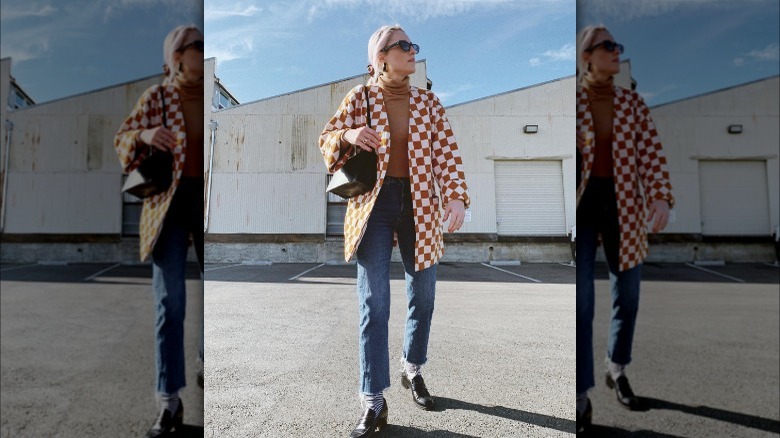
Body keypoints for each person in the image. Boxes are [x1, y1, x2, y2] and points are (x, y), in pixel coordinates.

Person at [319, 24, 469, 438]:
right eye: (402, 45)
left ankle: (412, 368)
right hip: (374, 204)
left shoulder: (428, 103)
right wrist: (349, 133)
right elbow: (326, 139)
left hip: (420, 202)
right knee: (375, 301)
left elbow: (447, 154)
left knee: (423, 294)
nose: (411, 51)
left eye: (413, 45)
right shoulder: (360, 96)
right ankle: (373, 400)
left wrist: (455, 197)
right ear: (381, 55)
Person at [575, 25, 675, 433]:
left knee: (628, 295)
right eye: (608, 46)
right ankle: (580, 396)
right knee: (581, 304)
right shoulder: (574, 101)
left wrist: (660, 196)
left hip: (623, 206)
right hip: (582, 208)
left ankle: (616, 368)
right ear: (588, 56)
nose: (617, 52)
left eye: (618, 47)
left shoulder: (632, 103)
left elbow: (650, 152)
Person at [114, 25, 204, 438]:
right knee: (170, 301)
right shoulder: (158, 96)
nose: (202, 52)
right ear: (176, 56)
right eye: (195, 46)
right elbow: (122, 140)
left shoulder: (210, 96)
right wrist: (146, 133)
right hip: (167, 204)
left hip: (206, 203)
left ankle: (208, 360)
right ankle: (169, 403)